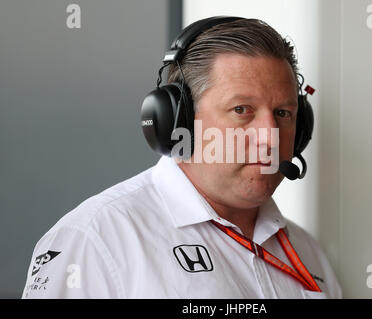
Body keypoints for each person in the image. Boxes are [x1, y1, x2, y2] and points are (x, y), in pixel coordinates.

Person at [22, 17, 342, 299]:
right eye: (241, 110)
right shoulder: (95, 239)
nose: (269, 135)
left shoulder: (308, 254)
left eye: (283, 113)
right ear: (178, 122)